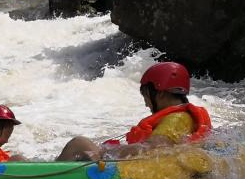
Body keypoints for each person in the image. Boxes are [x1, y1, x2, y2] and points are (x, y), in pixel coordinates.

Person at [57, 61, 212, 162]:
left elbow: (152, 147)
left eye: (145, 95)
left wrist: (104, 155)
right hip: (155, 167)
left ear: (160, 93)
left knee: (79, 143)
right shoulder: (183, 117)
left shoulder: (177, 119)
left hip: (143, 172)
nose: (146, 104)